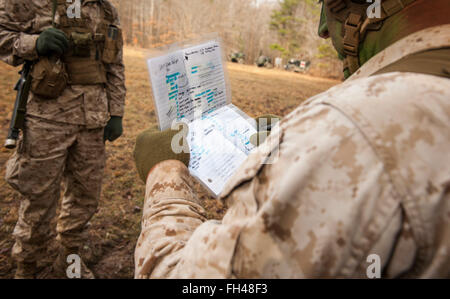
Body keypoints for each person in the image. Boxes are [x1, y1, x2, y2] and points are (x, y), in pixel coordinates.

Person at [133, 0, 449, 278]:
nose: (323, 30)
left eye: (330, 4)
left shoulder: (350, 130)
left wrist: (164, 172)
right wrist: (294, 146)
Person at [0, 0, 126, 278]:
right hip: (47, 120)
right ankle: (28, 267)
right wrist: (34, 44)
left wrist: (116, 112)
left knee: (84, 199)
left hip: (93, 122)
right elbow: (2, 35)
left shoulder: (105, 8)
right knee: (38, 199)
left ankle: (68, 262)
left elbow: (115, 63)